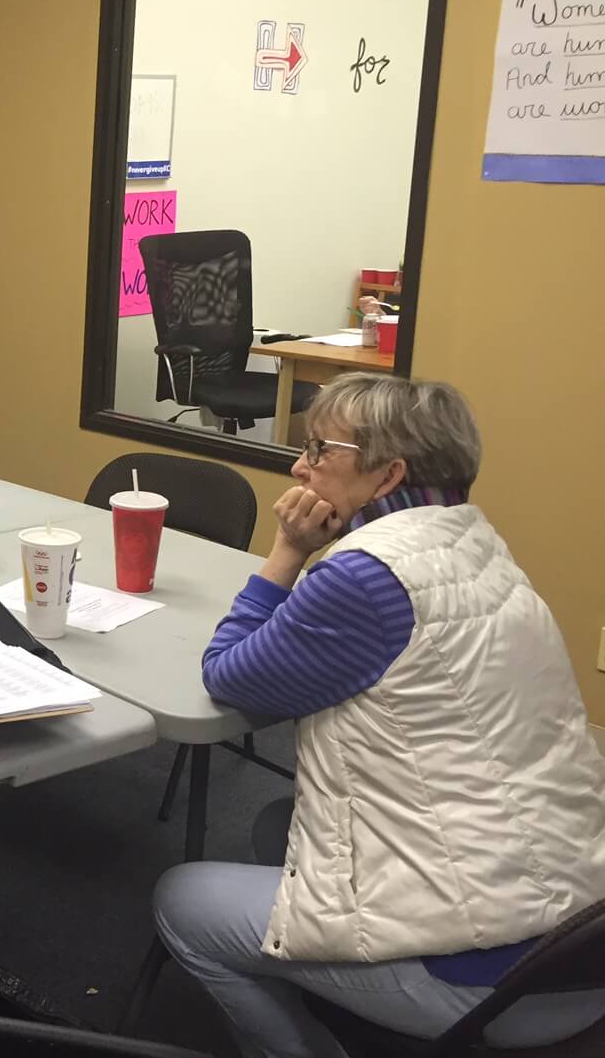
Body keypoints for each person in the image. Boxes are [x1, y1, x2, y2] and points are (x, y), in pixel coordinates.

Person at [155, 372, 605, 1057]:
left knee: (182, 901)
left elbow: (230, 676)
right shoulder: (469, 540)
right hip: (576, 934)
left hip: (488, 983)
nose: (299, 466)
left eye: (318, 450)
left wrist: (287, 552)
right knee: (280, 824)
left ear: (389, 473)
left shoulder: (368, 576)